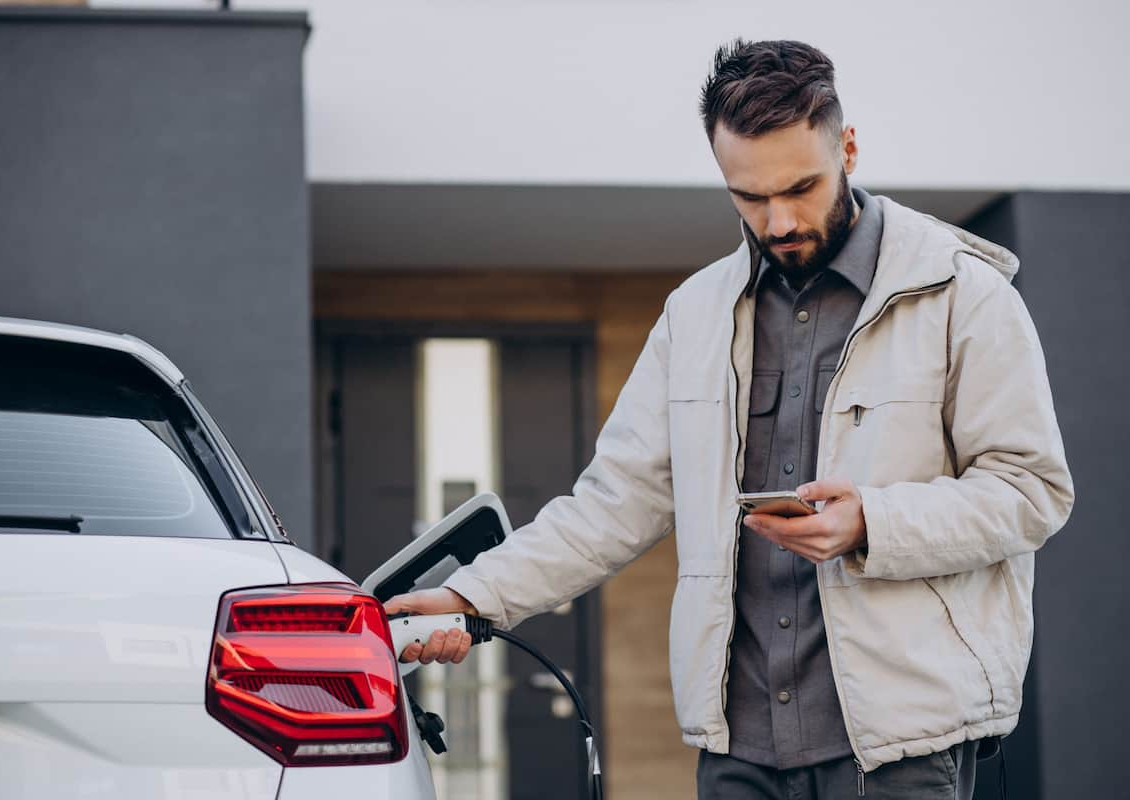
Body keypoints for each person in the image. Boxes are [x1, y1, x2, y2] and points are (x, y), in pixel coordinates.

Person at [383, 39, 1074, 799]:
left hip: (900, 750)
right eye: (749, 197)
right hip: (740, 747)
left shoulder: (963, 296)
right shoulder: (694, 316)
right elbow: (613, 504)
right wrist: (474, 596)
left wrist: (872, 523)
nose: (778, 221)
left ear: (848, 147)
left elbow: (1031, 490)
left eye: (800, 188)